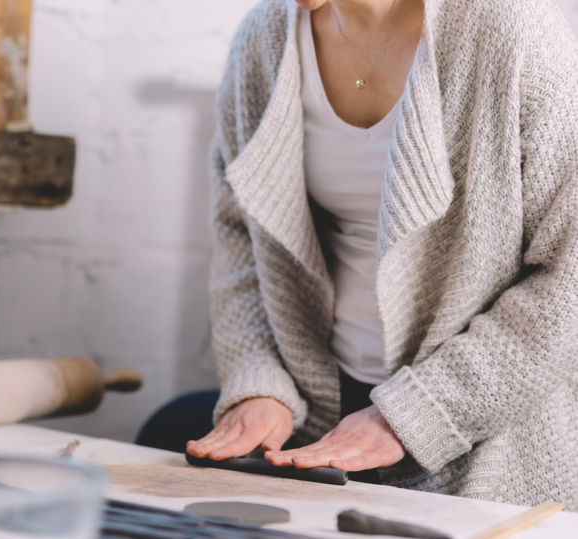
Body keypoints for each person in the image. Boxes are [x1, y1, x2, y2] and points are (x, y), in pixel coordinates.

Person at [185, 0, 578, 510]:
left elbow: (569, 279)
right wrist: (258, 383)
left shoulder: (513, 26)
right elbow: (241, 239)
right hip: (316, 434)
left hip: (488, 446)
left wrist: (420, 412)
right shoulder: (262, 39)